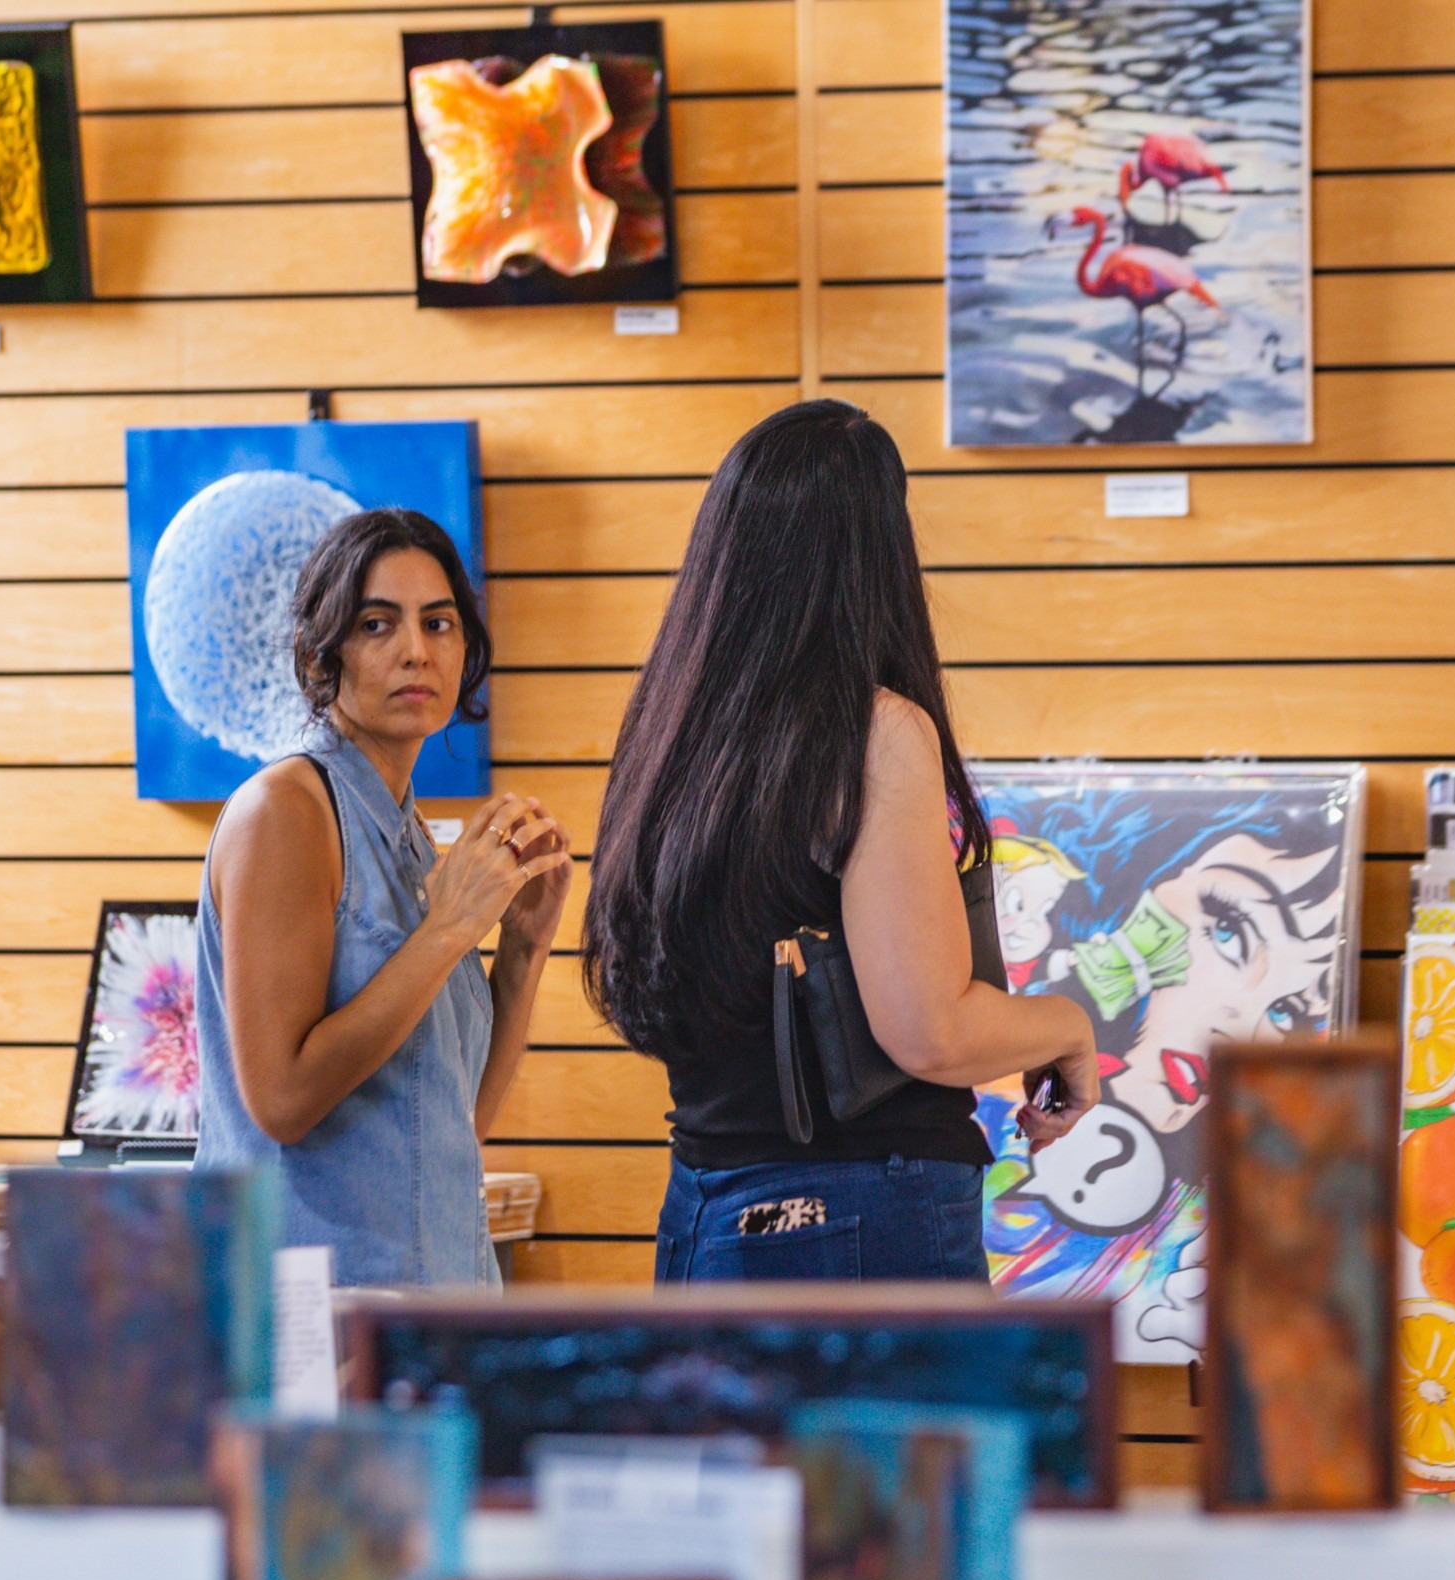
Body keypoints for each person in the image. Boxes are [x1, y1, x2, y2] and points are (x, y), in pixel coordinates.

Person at [582, 399, 1099, 1282]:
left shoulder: (672, 731)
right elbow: (928, 1031)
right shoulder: (874, 732)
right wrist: (1068, 1027)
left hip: (705, 1210)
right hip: (863, 1217)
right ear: (879, 555)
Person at [194, 508, 572, 1287]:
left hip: (428, 1305)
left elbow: (455, 1127)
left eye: (439, 623)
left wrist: (521, 952)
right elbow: (282, 1098)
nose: (415, 650)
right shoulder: (286, 810)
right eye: (377, 624)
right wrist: (448, 928)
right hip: (305, 1317)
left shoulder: (410, 840)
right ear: (319, 652)